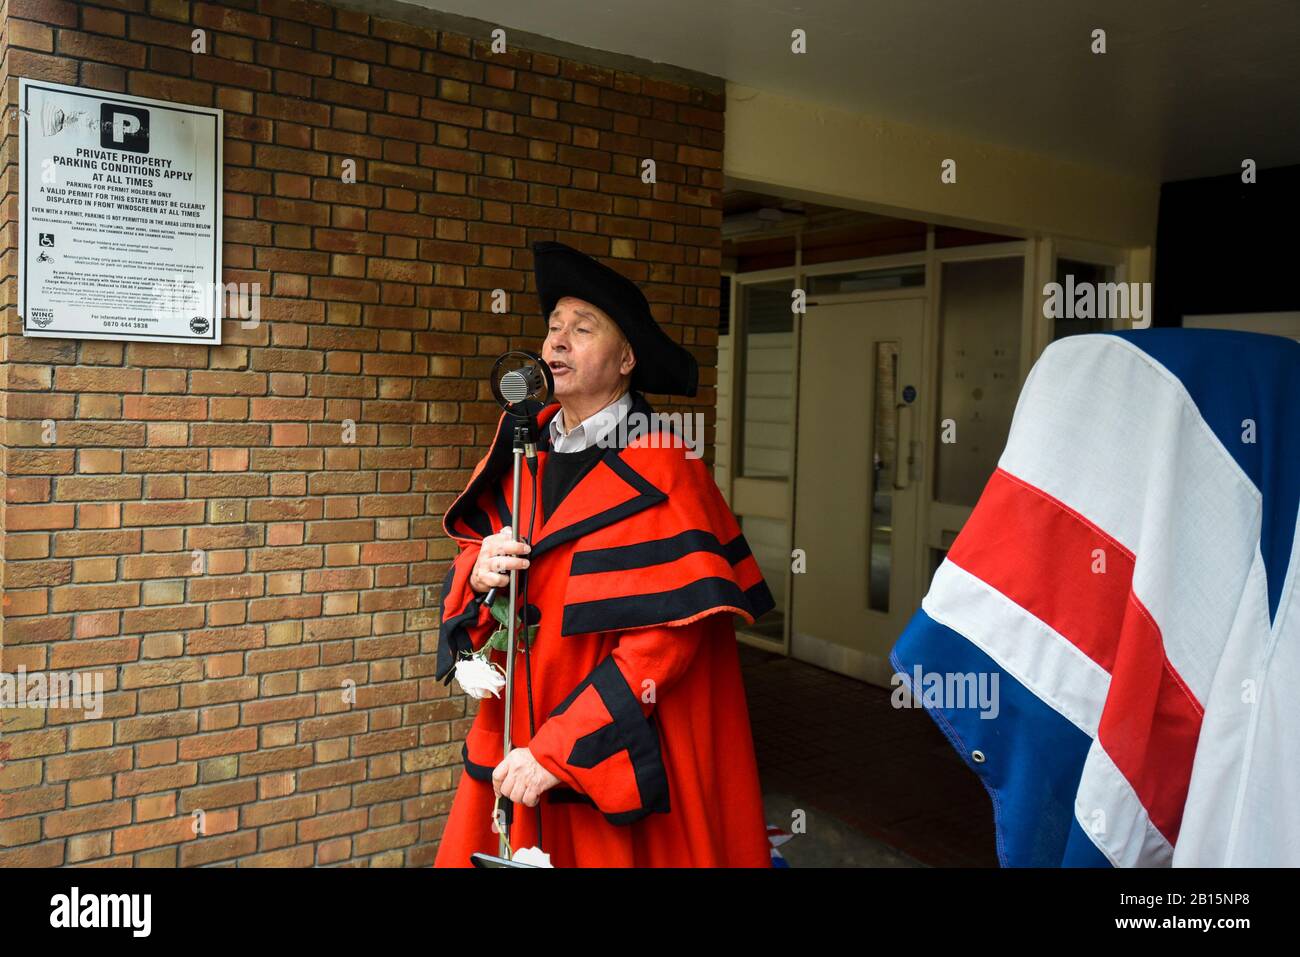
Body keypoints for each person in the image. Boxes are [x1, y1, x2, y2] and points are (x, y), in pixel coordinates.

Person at [432, 240, 775, 867]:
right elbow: (477, 585)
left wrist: (558, 750)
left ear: (626, 360)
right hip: (515, 741)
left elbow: (669, 643)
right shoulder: (518, 447)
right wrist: (478, 575)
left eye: (582, 329)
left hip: (609, 752)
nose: (556, 343)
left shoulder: (665, 463)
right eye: (553, 328)